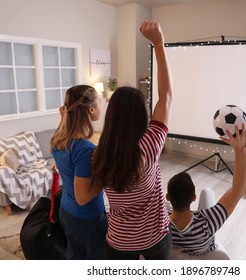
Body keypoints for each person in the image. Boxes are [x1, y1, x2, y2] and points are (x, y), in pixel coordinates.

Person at [91, 21, 173, 260]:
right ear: (141, 116)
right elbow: (166, 97)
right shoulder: (149, 146)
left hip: (118, 241)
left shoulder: (98, 154)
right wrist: (158, 43)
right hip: (155, 238)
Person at [166, 125, 246, 259]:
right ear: (193, 198)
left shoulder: (161, 222)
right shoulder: (207, 222)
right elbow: (237, 190)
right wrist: (240, 148)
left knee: (207, 192)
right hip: (205, 245)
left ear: (168, 197)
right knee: (207, 192)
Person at [50, 85, 107, 260]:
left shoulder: (57, 140)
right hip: (87, 218)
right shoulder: (85, 150)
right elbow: (82, 197)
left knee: (75, 257)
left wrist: (63, 116)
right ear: (90, 110)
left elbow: (63, 127)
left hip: (66, 211)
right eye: (98, 103)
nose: (100, 107)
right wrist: (106, 177)